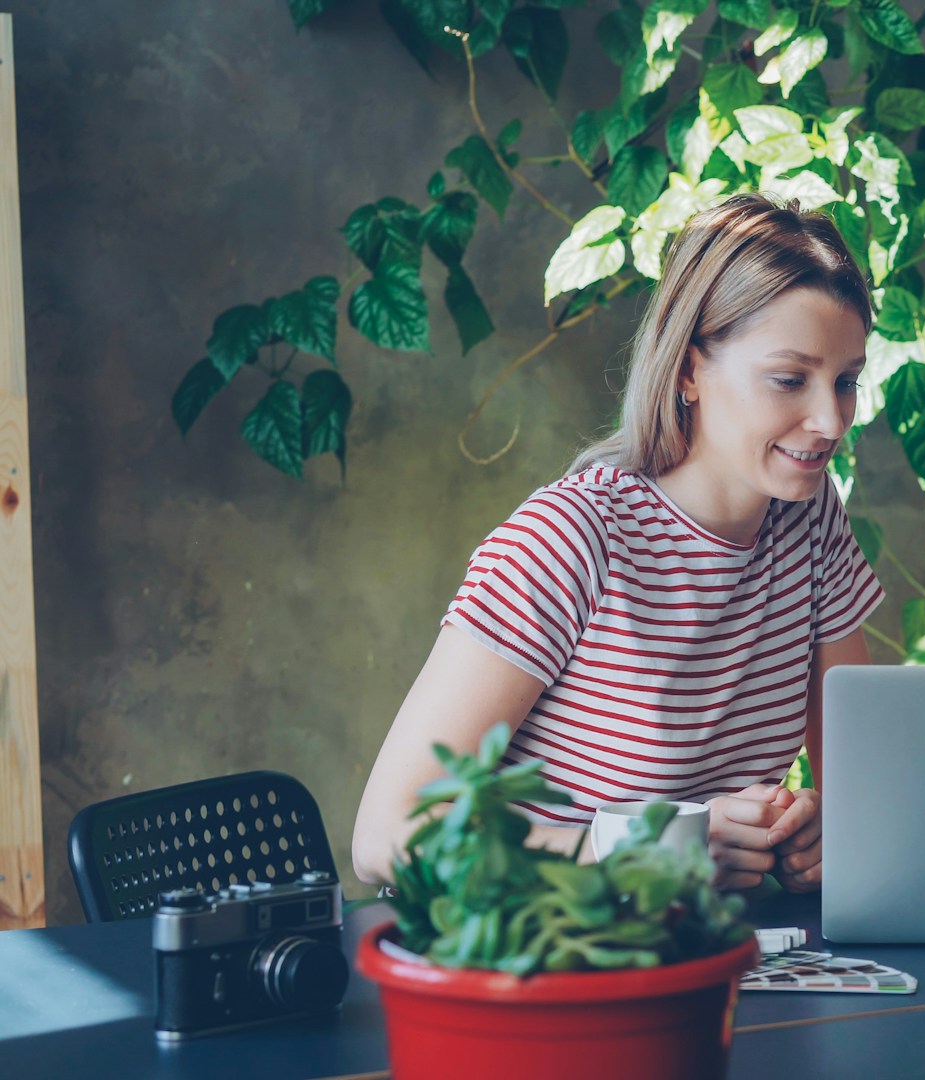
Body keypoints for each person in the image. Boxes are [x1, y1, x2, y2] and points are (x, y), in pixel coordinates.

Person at [352, 194, 883, 894]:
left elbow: (866, 793)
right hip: (550, 957)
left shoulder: (811, 522)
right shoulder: (571, 538)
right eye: (790, 379)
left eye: (846, 382)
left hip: (716, 955)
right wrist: (658, 847)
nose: (830, 419)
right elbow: (391, 835)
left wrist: (822, 833)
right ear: (690, 370)